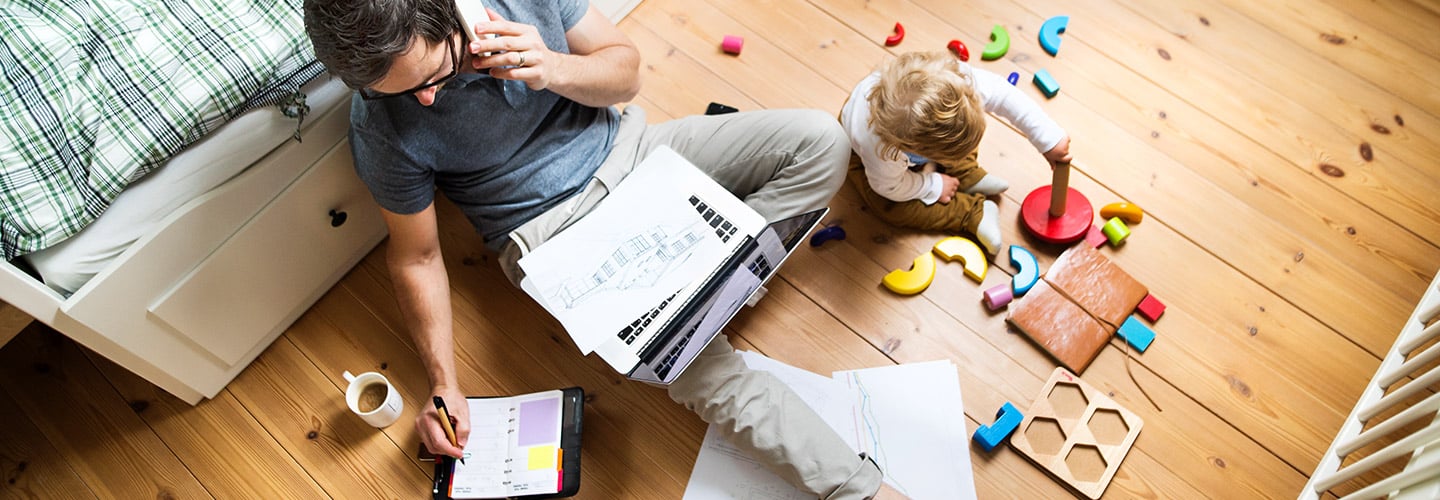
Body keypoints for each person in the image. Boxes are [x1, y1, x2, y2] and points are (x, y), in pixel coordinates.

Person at [303, 0, 905, 497]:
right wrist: (443, 382)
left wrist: (550, 68)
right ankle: (856, 487)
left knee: (821, 141)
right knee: (695, 366)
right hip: (556, 239)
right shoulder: (379, 124)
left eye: (433, 76)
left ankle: (716, 283)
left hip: (639, 154)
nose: (426, 100)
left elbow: (626, 69)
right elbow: (416, 257)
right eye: (400, 93)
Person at [839, 51, 1073, 254]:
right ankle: (969, 214)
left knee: (961, 133)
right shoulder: (881, 153)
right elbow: (890, 188)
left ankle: (966, 172)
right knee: (886, 206)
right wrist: (932, 185)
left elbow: (1004, 94)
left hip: (917, 139)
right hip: (867, 158)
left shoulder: (958, 81)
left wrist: (1048, 138)